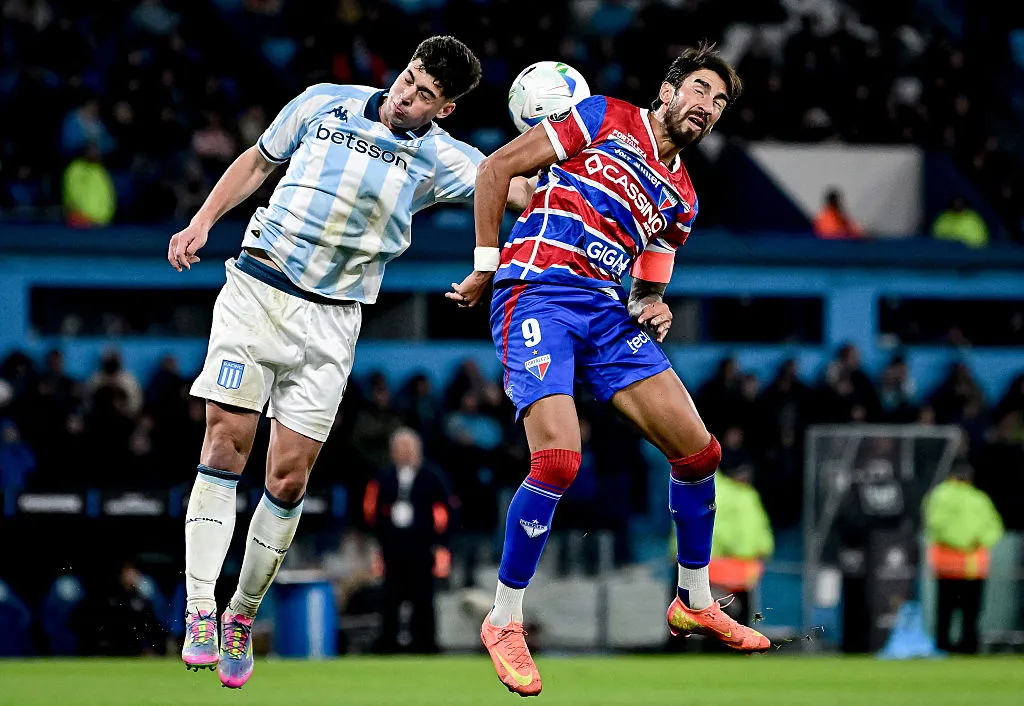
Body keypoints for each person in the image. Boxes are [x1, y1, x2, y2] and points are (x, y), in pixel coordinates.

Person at [168, 36, 534, 688]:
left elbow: (516, 190)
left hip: (332, 322)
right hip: (258, 286)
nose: (407, 94)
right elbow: (257, 162)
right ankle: (199, 608)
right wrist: (201, 222)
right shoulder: (322, 103)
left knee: (286, 480)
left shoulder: (447, 160)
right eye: (409, 77)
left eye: (426, 94)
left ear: (444, 110)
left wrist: (579, 166)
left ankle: (241, 616)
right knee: (224, 444)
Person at [447, 41, 767, 697]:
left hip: (603, 313)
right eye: (699, 90)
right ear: (670, 89)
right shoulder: (601, 116)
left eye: (719, 101)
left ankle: (694, 598)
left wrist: (652, 304)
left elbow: (653, 272)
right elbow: (495, 170)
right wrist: (484, 265)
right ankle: (504, 619)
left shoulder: (682, 197)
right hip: (536, 291)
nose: (706, 107)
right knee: (559, 461)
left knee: (700, 454)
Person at [363, 427, 453, 653]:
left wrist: (439, 542)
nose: (403, 453)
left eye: (408, 448)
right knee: (390, 597)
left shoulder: (433, 477)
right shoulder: (383, 477)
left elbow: (445, 511)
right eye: (399, 448)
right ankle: (388, 643)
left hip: (422, 546)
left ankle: (425, 643)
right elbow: (369, 509)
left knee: (423, 597)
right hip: (392, 546)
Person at [923, 463, 1004, 654]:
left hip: (950, 565)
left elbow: (935, 524)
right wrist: (973, 541)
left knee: (946, 611)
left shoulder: (939, 495)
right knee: (971, 613)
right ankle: (968, 647)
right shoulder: (979, 498)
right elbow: (994, 529)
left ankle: (944, 647)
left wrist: (958, 541)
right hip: (972, 565)